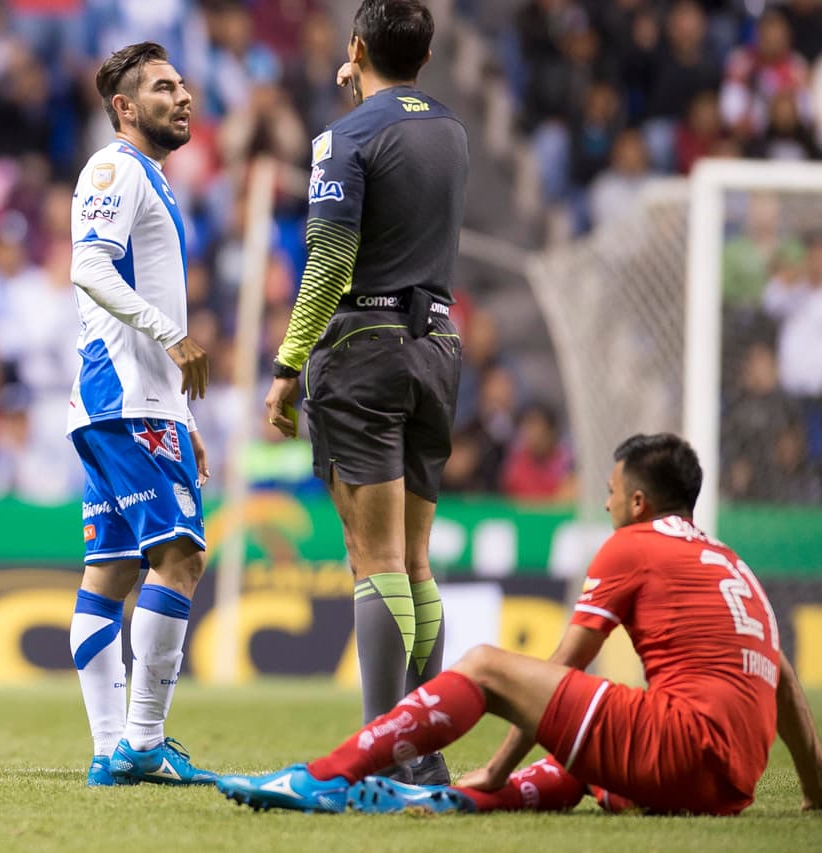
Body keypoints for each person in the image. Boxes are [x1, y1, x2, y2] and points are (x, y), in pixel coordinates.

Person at [214, 433, 822, 816]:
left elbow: (559, 673)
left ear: (638, 502)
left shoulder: (633, 545)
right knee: (581, 756)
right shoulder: (729, 563)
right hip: (730, 786)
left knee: (486, 665)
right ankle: (447, 800)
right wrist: (815, 792)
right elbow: (786, 685)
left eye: (610, 491)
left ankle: (320, 779)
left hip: (681, 748)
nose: (605, 502)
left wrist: (498, 764)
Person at [262, 0, 467, 786]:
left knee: (373, 557)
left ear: (355, 48)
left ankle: (379, 752)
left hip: (365, 349)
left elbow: (328, 264)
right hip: (438, 346)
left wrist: (286, 367)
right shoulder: (451, 129)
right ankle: (424, 747)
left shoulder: (343, 137)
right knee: (416, 560)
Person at [65, 41, 216, 788]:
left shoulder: (145, 177)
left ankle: (109, 750)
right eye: (163, 88)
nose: (182, 97)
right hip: (126, 399)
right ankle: (144, 741)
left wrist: (185, 422)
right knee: (181, 557)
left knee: (112, 570)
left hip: (124, 401)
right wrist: (172, 334)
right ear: (125, 107)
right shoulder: (115, 168)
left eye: (183, 85)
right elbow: (88, 265)